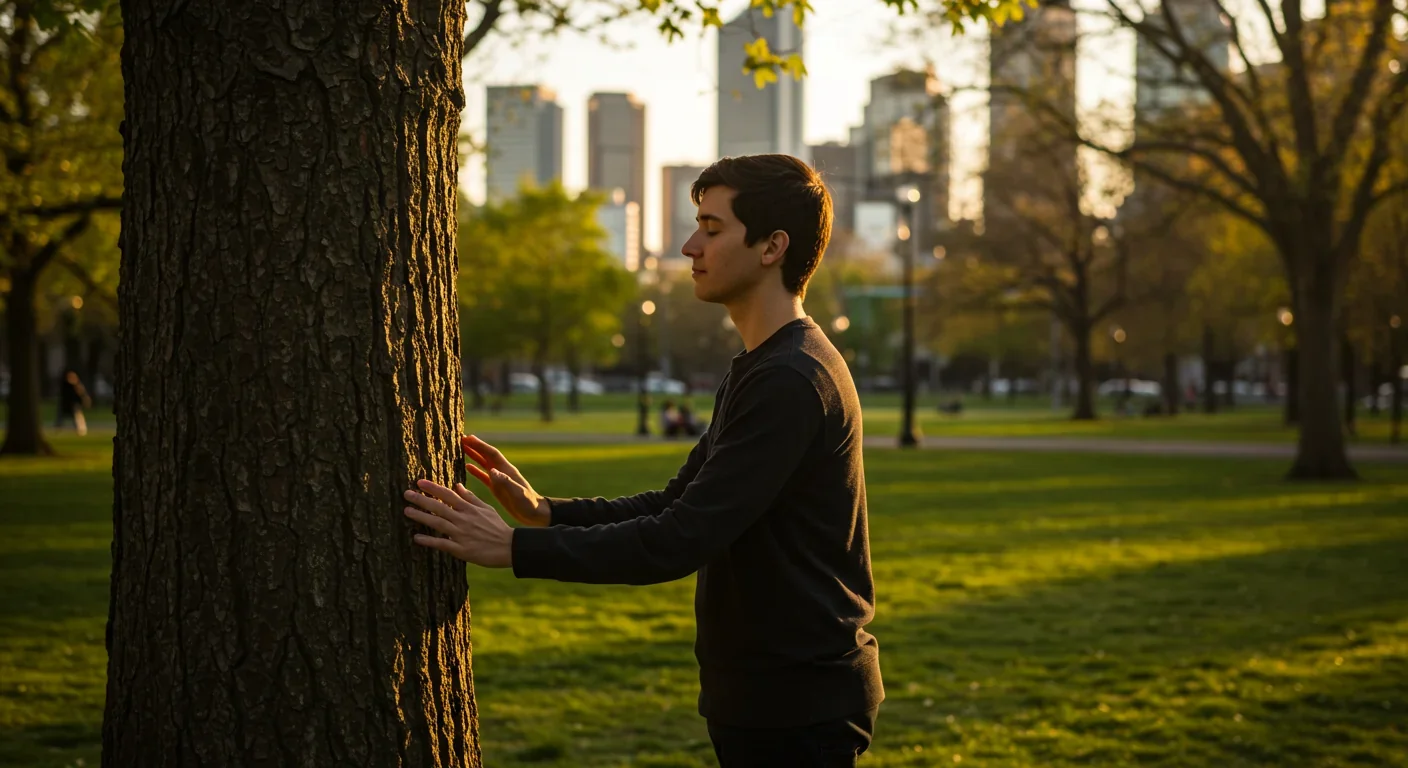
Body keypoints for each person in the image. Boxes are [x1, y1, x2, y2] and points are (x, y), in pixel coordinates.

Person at [403, 154, 882, 767]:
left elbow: (679, 540)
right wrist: (547, 512)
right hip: (766, 697)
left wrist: (513, 549)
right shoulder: (764, 368)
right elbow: (674, 502)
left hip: (798, 705)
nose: (690, 246)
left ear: (772, 247)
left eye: (712, 229)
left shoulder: (790, 379)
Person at [55, 370, 92, 436]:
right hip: (68, 403)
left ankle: (80, 429)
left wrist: (84, 400)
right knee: (62, 416)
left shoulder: (76, 385)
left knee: (77, 416)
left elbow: (81, 394)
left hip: (74, 403)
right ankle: (58, 427)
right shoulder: (66, 385)